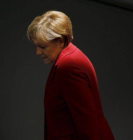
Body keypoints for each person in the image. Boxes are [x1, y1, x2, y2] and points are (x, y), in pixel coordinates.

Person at [27, 10, 115, 140]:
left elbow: (87, 123)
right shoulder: (70, 58)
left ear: (61, 41)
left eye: (43, 47)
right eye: (36, 46)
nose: (37, 52)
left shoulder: (69, 66)